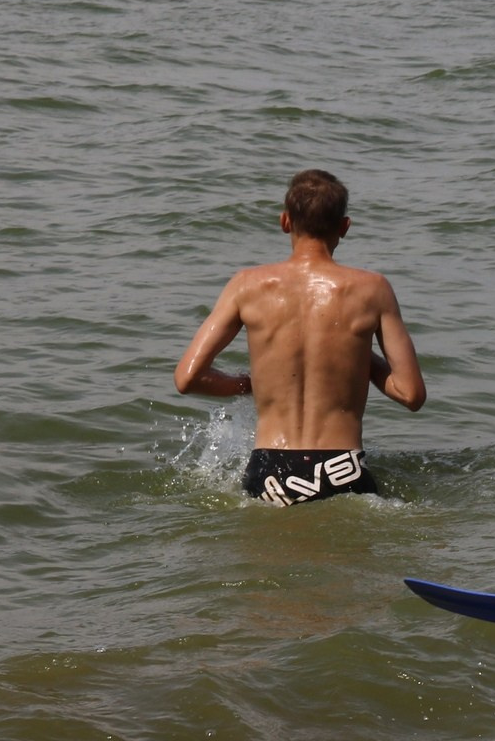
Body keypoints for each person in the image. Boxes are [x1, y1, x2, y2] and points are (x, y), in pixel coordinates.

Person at [173, 169, 426, 505]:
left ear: (285, 221)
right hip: (343, 468)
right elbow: (411, 394)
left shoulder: (246, 286)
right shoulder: (373, 289)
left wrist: (249, 384)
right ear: (345, 227)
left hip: (270, 470)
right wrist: (362, 359)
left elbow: (188, 379)